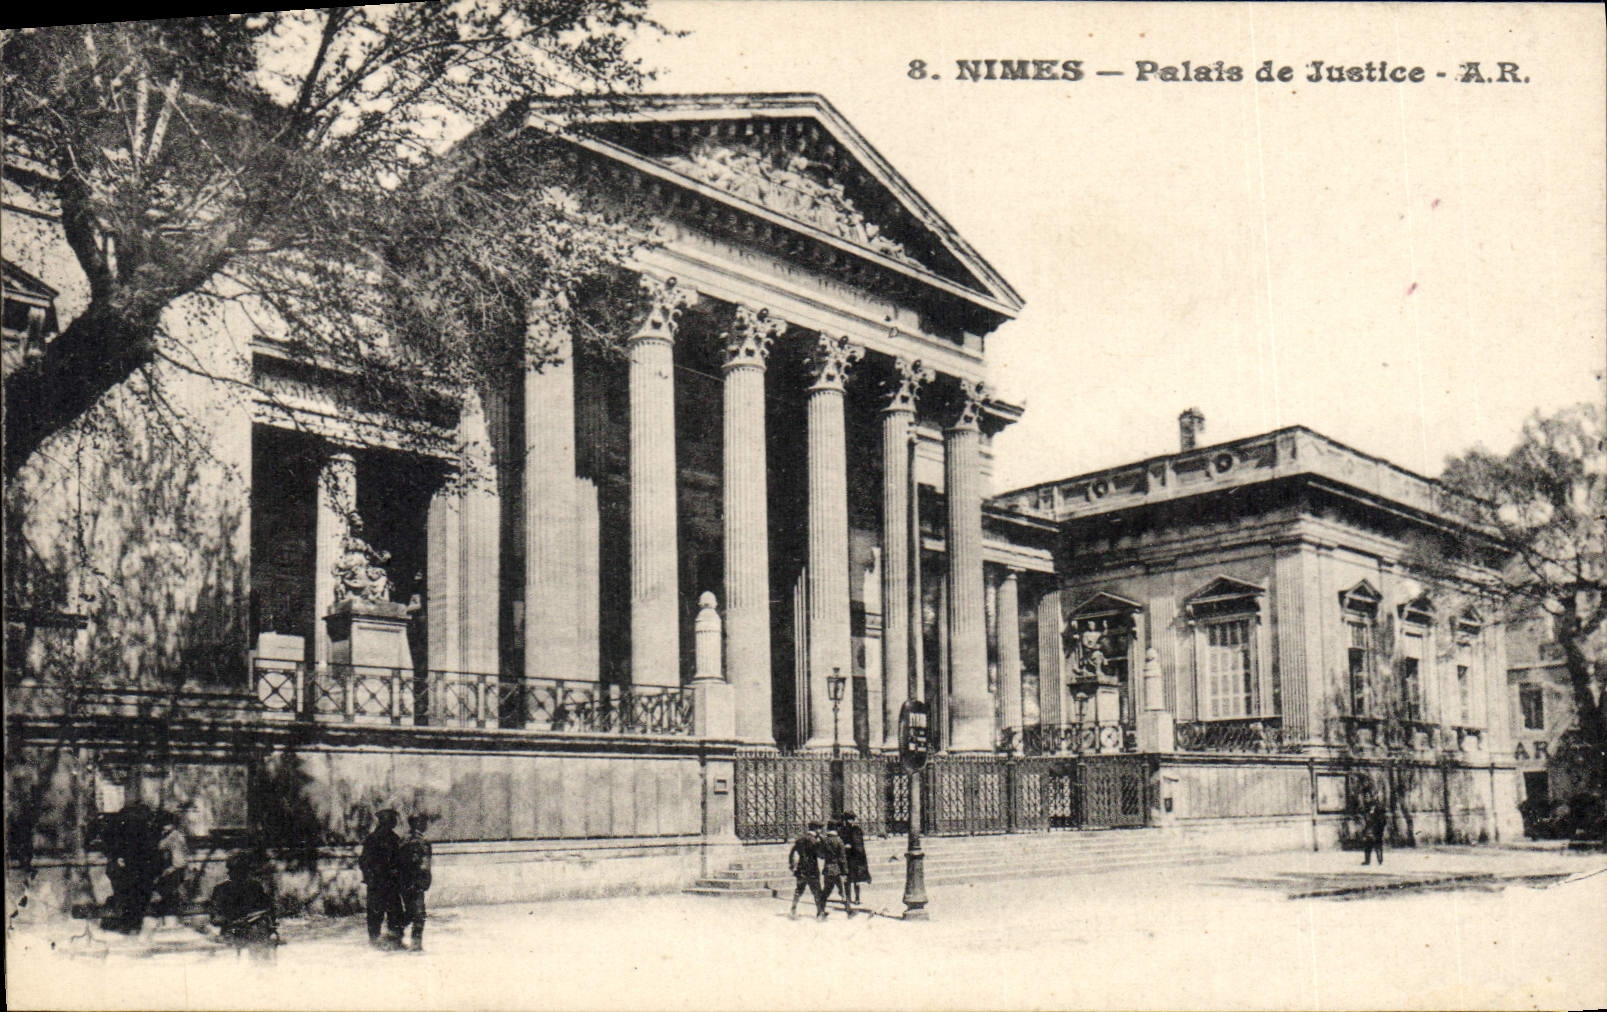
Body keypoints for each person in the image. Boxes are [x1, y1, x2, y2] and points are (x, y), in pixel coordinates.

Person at [209, 852, 278, 960]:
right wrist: (231, 921)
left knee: (259, 931)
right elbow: (215, 917)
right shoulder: (221, 890)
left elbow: (267, 908)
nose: (240, 875)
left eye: (243, 871)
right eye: (236, 870)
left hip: (254, 928)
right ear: (230, 872)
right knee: (257, 934)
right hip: (233, 930)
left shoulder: (255, 887)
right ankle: (261, 965)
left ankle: (262, 966)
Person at [359, 810, 405, 947]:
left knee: (391, 912)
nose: (395, 822)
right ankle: (377, 941)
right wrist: (370, 877)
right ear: (386, 821)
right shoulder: (374, 839)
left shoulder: (393, 838)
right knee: (379, 912)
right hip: (379, 883)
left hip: (388, 882)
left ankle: (392, 941)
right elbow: (364, 861)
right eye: (392, 819)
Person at [150, 812, 190, 930]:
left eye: (166, 824)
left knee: (165, 892)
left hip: (176, 870)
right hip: (175, 869)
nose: (163, 827)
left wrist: (170, 870)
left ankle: (169, 921)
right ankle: (167, 920)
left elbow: (179, 859)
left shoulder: (174, 837)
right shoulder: (174, 835)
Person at [399, 813, 433, 951]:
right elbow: (422, 864)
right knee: (419, 914)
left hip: (405, 881)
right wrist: (423, 880)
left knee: (411, 912)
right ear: (417, 823)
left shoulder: (403, 840)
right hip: (415, 881)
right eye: (424, 821)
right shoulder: (420, 841)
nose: (426, 824)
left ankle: (394, 933)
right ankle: (416, 944)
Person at [787, 821, 822, 919]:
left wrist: (792, 866)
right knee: (817, 891)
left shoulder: (800, 839)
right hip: (812, 869)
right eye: (819, 828)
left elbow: (792, 853)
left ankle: (793, 909)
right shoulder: (815, 841)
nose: (820, 830)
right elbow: (821, 855)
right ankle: (819, 913)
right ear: (815, 829)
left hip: (801, 868)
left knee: (799, 890)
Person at [818, 821, 852, 918]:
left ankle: (821, 911)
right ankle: (849, 911)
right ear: (837, 829)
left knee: (826, 891)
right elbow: (842, 858)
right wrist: (845, 871)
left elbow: (821, 855)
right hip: (837, 869)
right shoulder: (839, 841)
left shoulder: (824, 840)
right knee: (842, 890)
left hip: (828, 868)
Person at [840, 811, 871, 906]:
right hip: (850, 857)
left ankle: (855, 898)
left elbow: (858, 844)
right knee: (850, 878)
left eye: (850, 819)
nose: (849, 821)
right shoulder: (850, 829)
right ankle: (851, 898)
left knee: (853, 879)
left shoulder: (854, 830)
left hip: (854, 857)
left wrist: (850, 846)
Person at [1362, 797, 1388, 866]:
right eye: (1370, 806)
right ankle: (1367, 861)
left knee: (1378, 846)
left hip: (1377, 832)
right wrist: (1365, 832)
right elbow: (1367, 824)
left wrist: (1379, 831)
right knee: (1368, 847)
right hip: (1369, 832)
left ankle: (1380, 860)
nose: (1371, 807)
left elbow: (1382, 823)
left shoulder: (1379, 814)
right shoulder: (1368, 813)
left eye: (1373, 806)